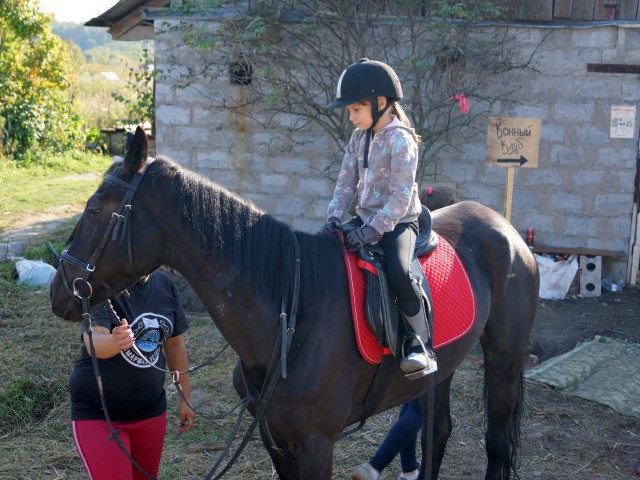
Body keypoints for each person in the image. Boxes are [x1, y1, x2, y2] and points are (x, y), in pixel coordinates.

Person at [320, 58, 436, 378]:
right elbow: (345, 183)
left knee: (399, 271)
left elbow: (400, 197)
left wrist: (372, 230)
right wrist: (333, 217)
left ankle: (419, 344)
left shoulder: (401, 139)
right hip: (366, 220)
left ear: (380, 103)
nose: (351, 117)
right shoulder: (360, 137)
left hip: (398, 223)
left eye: (355, 109)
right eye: (349, 111)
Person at [351, 184, 457, 480]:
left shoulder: (413, 248)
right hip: (426, 337)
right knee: (418, 412)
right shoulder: (436, 255)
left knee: (411, 403)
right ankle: (376, 465)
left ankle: (409, 470)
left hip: (397, 335)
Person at [68, 270, 194, 480]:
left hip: (151, 412)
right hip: (100, 415)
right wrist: (115, 342)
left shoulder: (165, 284)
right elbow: (94, 340)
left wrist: (185, 397)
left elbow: (174, 345)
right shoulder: (103, 282)